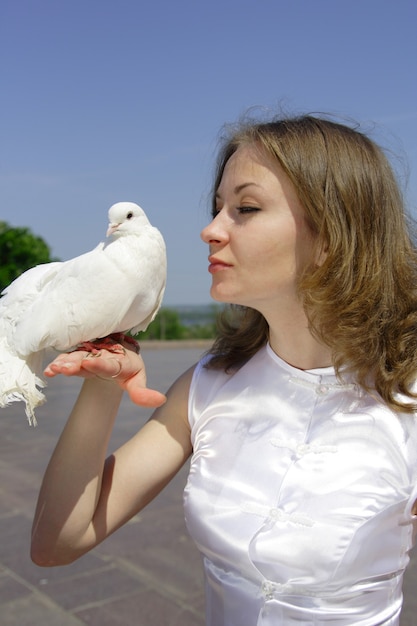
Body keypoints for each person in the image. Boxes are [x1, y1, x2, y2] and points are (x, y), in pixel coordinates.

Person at [31, 113, 417, 626]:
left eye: (246, 208)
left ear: (333, 235)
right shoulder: (208, 384)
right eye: (218, 209)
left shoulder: (406, 400)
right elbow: (58, 542)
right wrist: (106, 386)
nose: (210, 230)